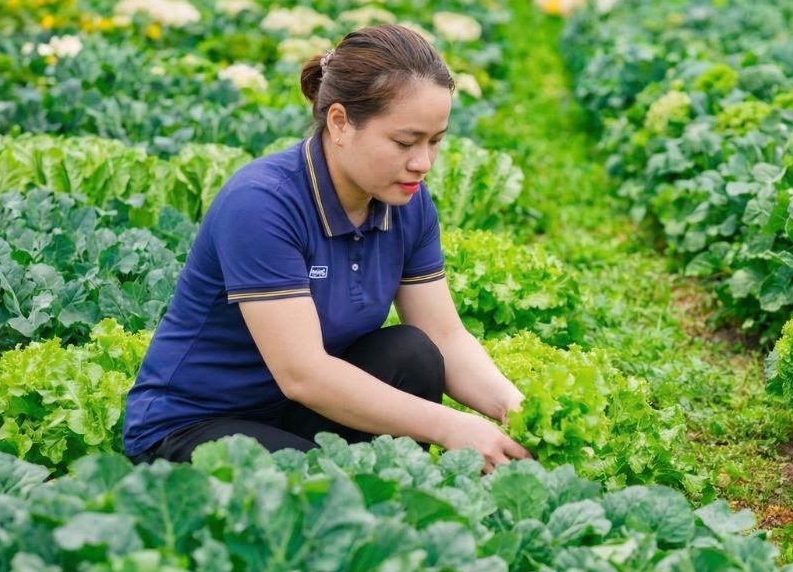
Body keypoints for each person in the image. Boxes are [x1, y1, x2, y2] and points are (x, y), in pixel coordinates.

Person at [123, 24, 530, 472]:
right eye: (404, 142)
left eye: (435, 141)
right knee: (329, 485)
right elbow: (303, 373)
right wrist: (450, 426)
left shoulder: (408, 201)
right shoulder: (261, 202)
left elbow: (445, 336)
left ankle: (403, 490)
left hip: (296, 413)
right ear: (339, 122)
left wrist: (520, 412)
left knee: (411, 352)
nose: (422, 163)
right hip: (195, 425)